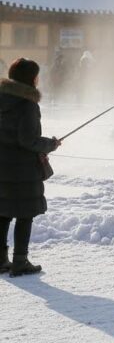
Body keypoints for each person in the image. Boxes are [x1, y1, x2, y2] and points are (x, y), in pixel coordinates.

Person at [0, 58, 61, 276]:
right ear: (31, 78)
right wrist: (51, 144)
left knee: (3, 213)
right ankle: (20, 262)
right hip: (22, 170)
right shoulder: (27, 104)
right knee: (24, 215)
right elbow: (28, 140)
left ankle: (1, 260)